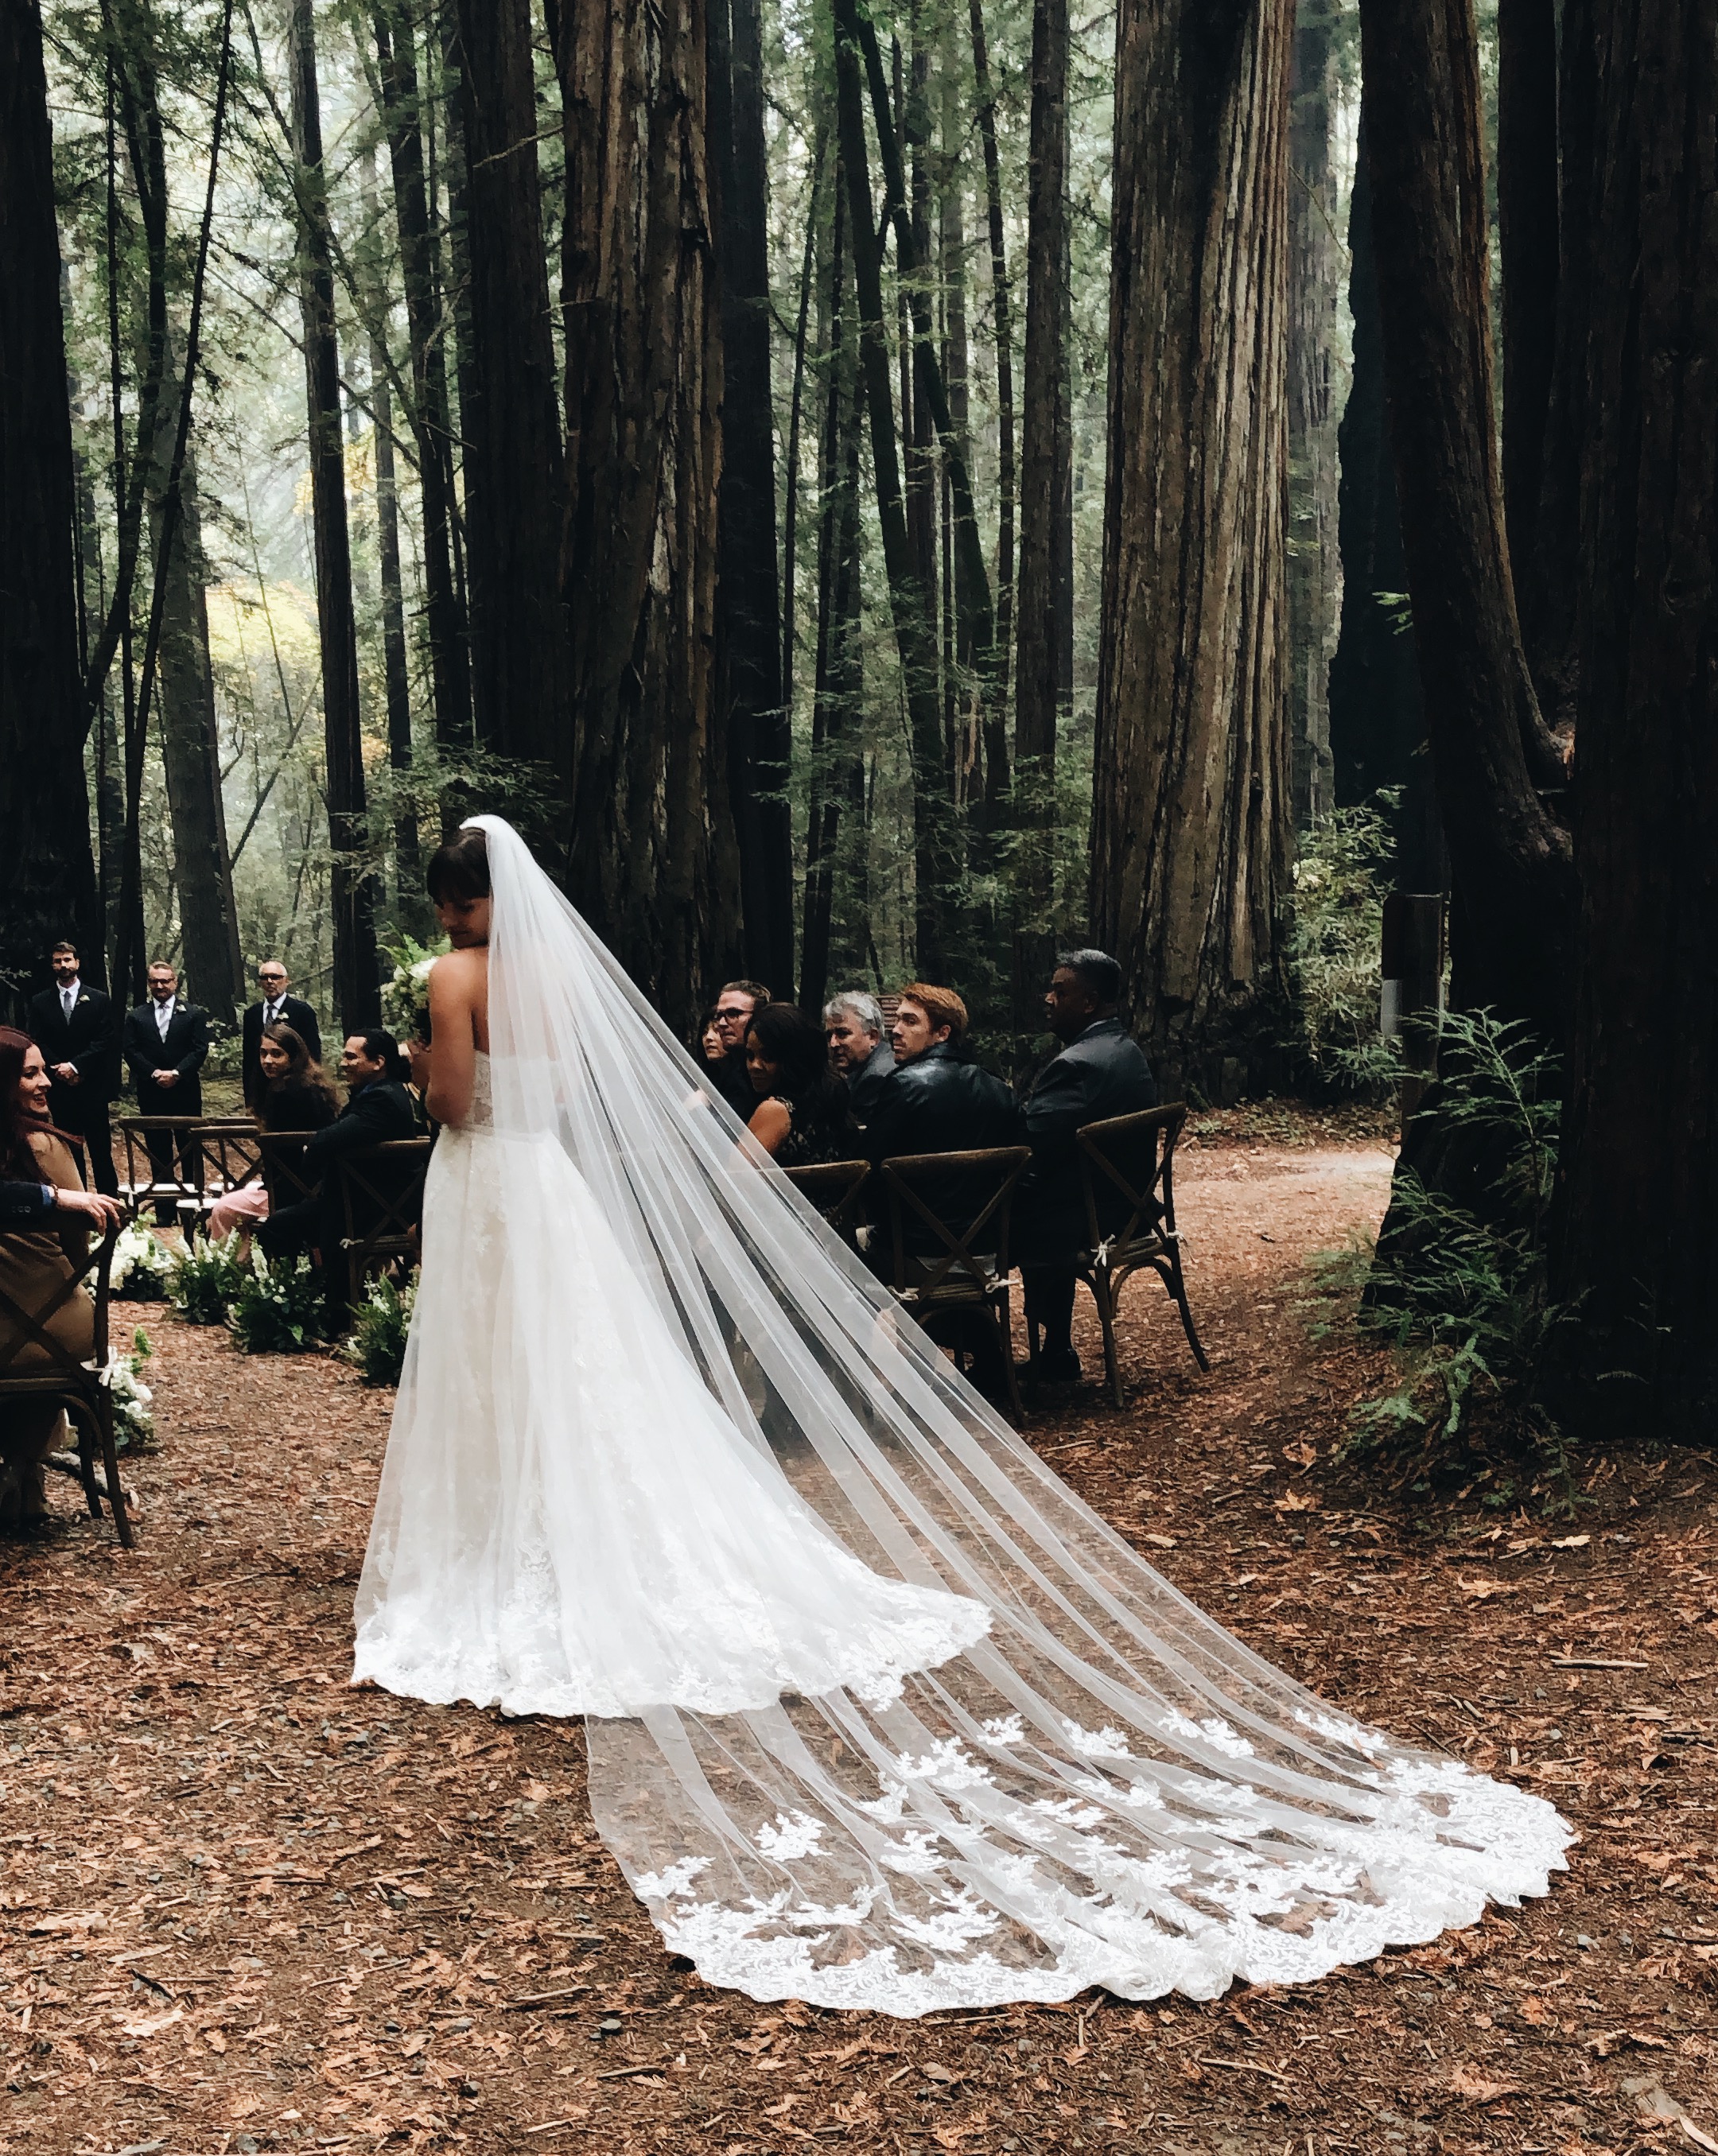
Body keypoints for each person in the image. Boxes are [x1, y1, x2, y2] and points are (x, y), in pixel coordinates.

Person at [352, 817, 1568, 2015]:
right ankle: (578, 1527)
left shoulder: (457, 979)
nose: (454, 924)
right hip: (548, 1188)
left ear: (462, 901)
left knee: (501, 1362)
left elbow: (456, 1103)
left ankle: (504, 1540)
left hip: (487, 1182)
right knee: (576, 1366)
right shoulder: (552, 984)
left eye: (450, 905)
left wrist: (424, 1067)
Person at [1016, 949, 1159, 1384]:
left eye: (1060, 992)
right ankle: (1055, 1347)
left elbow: (1029, 1138)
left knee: (990, 1219)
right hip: (1130, 1206)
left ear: (1090, 1002)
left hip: (1096, 1218)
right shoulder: (1125, 1049)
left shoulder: (1076, 1064)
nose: (1048, 999)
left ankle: (987, 1356)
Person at [0, 1031, 115, 1529]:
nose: (46, 1081)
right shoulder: (45, 1146)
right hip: (54, 1328)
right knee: (47, 1327)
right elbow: (77, 1250)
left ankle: (22, 1479)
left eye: (43, 1070)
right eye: (30, 1073)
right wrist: (58, 1201)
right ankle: (23, 1474)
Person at [255, 1031, 418, 1319]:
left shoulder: (382, 1099)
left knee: (279, 1226)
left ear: (378, 1062)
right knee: (285, 1221)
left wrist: (312, 1151)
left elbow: (327, 1140)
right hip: (357, 1198)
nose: (343, 1063)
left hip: (374, 1208)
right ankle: (307, 1297)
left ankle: (310, 1308)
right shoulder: (379, 1093)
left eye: (351, 1057)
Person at [207, 1024, 338, 1242]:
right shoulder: (309, 1086)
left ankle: (227, 1270)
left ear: (294, 1057)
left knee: (223, 1209)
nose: (268, 1061)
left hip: (296, 1190)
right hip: (304, 1184)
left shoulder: (288, 1092)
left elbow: (286, 1154)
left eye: (277, 1054)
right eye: (263, 1053)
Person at [26, 942, 120, 1198]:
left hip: (91, 1085)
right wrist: (61, 1068)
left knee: (101, 1150)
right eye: (58, 961)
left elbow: (104, 1039)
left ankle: (111, 1203)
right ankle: (79, 1202)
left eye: (67, 960)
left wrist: (77, 1066)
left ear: (77, 963)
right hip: (59, 1087)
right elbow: (37, 1040)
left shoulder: (99, 999)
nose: (63, 965)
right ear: (52, 965)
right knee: (69, 1148)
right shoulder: (40, 1002)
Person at [122, 961, 209, 1224]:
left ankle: (193, 1209)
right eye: (154, 981)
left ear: (175, 983)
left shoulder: (192, 1014)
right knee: (158, 1151)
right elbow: (131, 1050)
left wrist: (177, 1073)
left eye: (165, 981)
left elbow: (199, 1049)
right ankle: (164, 1211)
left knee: (189, 1149)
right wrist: (154, 1073)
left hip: (185, 1092)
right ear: (149, 984)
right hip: (152, 1092)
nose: (160, 986)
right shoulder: (137, 1016)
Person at [741, 1003, 855, 1166]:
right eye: (750, 1055)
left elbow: (732, 1180)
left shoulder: (776, 1110)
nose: (755, 1065)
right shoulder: (829, 1100)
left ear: (793, 1058)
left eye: (768, 1056)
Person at [240, 960, 322, 1111]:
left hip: (294, 1086)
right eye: (265, 978)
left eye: (276, 977)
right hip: (261, 1085)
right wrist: (250, 1099)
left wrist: (311, 1086)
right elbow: (249, 1059)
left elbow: (313, 1052)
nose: (270, 982)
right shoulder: (252, 1013)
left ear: (286, 980)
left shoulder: (302, 1011)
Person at [822, 991, 895, 1123]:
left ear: (873, 1037)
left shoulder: (875, 1078)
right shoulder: (880, 1062)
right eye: (829, 1036)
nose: (833, 1044)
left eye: (843, 1034)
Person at [705, 978, 771, 1121]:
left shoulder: (771, 1068)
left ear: (759, 1016)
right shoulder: (726, 1070)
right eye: (719, 1015)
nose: (722, 1023)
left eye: (733, 1014)